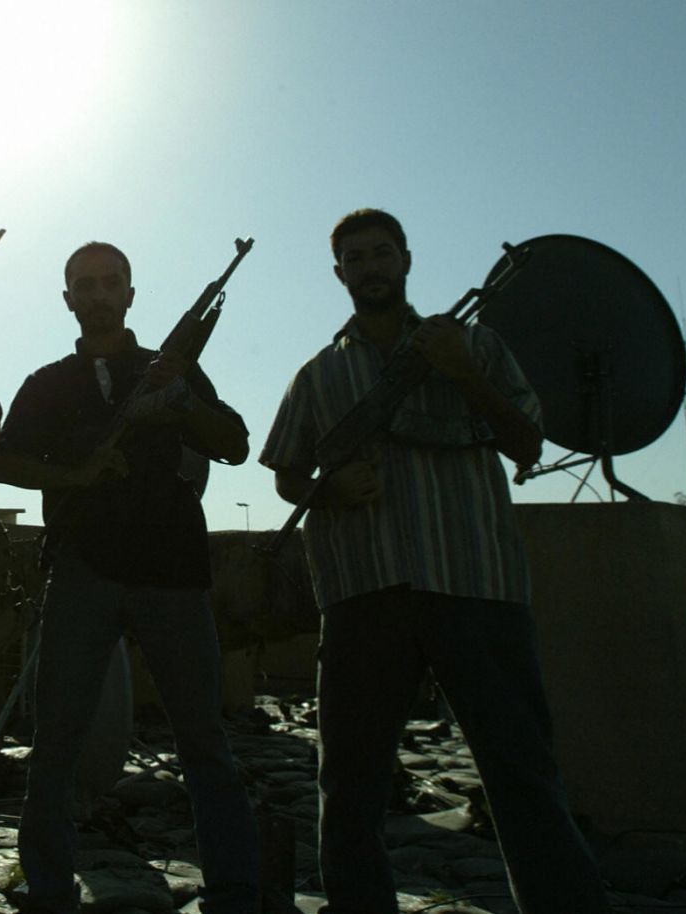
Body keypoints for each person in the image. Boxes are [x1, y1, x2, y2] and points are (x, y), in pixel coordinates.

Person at [260, 209, 610, 913]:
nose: (370, 268)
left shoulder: (477, 345)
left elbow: (525, 443)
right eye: (355, 259)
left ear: (407, 260)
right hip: (365, 595)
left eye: (381, 254)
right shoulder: (319, 375)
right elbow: (287, 474)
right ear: (339, 274)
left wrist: (461, 372)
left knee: (523, 777)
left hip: (475, 585)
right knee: (351, 786)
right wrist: (327, 493)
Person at [0, 241, 258, 913]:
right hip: (81, 572)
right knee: (55, 747)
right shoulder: (47, 383)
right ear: (68, 299)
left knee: (204, 744)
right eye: (86, 284)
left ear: (130, 294)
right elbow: (5, 465)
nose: (99, 294)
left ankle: (235, 890)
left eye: (111, 283)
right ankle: (49, 888)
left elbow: (233, 442)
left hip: (171, 572)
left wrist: (178, 402)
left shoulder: (171, 369)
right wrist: (77, 474)